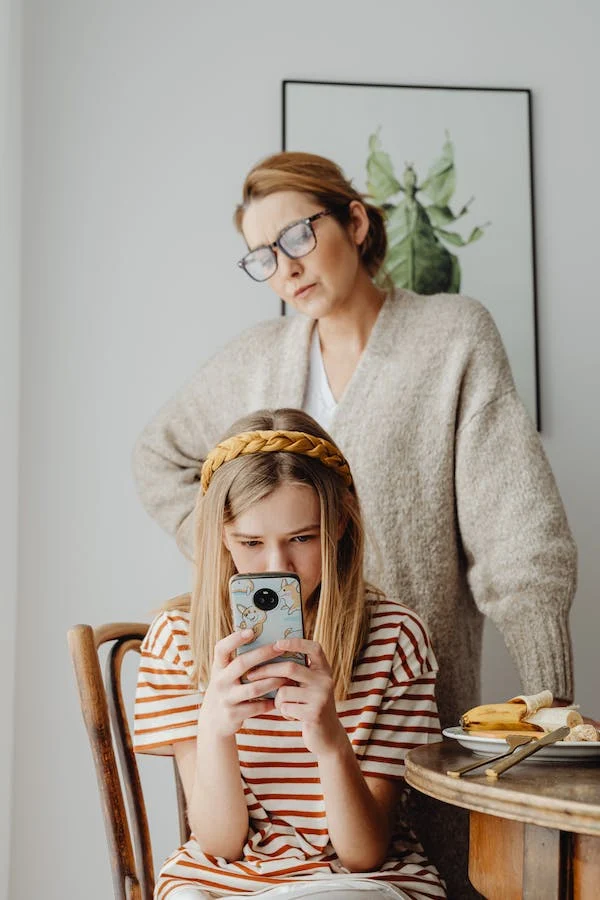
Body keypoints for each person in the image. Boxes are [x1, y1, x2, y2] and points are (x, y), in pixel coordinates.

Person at [132, 151, 577, 897]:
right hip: (267, 739)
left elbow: (520, 531)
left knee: (407, 860)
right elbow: (159, 458)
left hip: (394, 682)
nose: (286, 268)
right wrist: (236, 563)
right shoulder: (255, 361)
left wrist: (551, 719)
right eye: (262, 257)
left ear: (356, 221)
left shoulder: (451, 336)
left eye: (298, 237)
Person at [133, 408, 446, 900]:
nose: (279, 567)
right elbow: (220, 843)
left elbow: (364, 852)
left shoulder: (395, 638)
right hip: (222, 878)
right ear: (221, 536)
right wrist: (214, 728)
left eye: (302, 538)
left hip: (358, 879)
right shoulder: (177, 638)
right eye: (251, 542)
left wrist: (331, 743)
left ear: (340, 524)